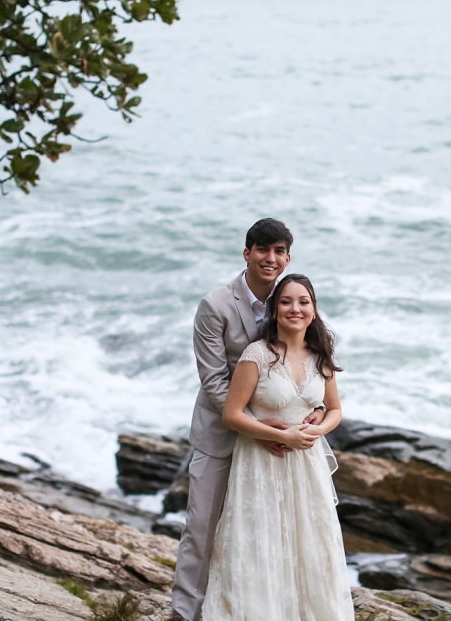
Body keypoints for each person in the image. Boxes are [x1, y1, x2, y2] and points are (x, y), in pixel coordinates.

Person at [170, 220, 326, 621]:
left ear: (287, 257)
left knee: (270, 532)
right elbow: (213, 381)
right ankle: (185, 612)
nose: (270, 259)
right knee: (202, 527)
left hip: (282, 442)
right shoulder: (215, 305)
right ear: (247, 254)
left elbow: (312, 358)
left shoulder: (292, 298)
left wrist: (318, 408)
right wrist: (259, 427)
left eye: (278, 251)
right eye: (262, 250)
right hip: (222, 434)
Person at [199, 273, 353, 621]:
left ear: (313, 310)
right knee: (260, 544)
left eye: (303, 302)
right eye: (286, 302)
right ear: (274, 310)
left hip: (307, 464)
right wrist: (283, 437)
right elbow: (231, 414)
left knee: (310, 544)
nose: (294, 309)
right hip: (261, 462)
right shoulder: (257, 354)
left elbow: (336, 410)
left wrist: (317, 429)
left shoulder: (320, 355)